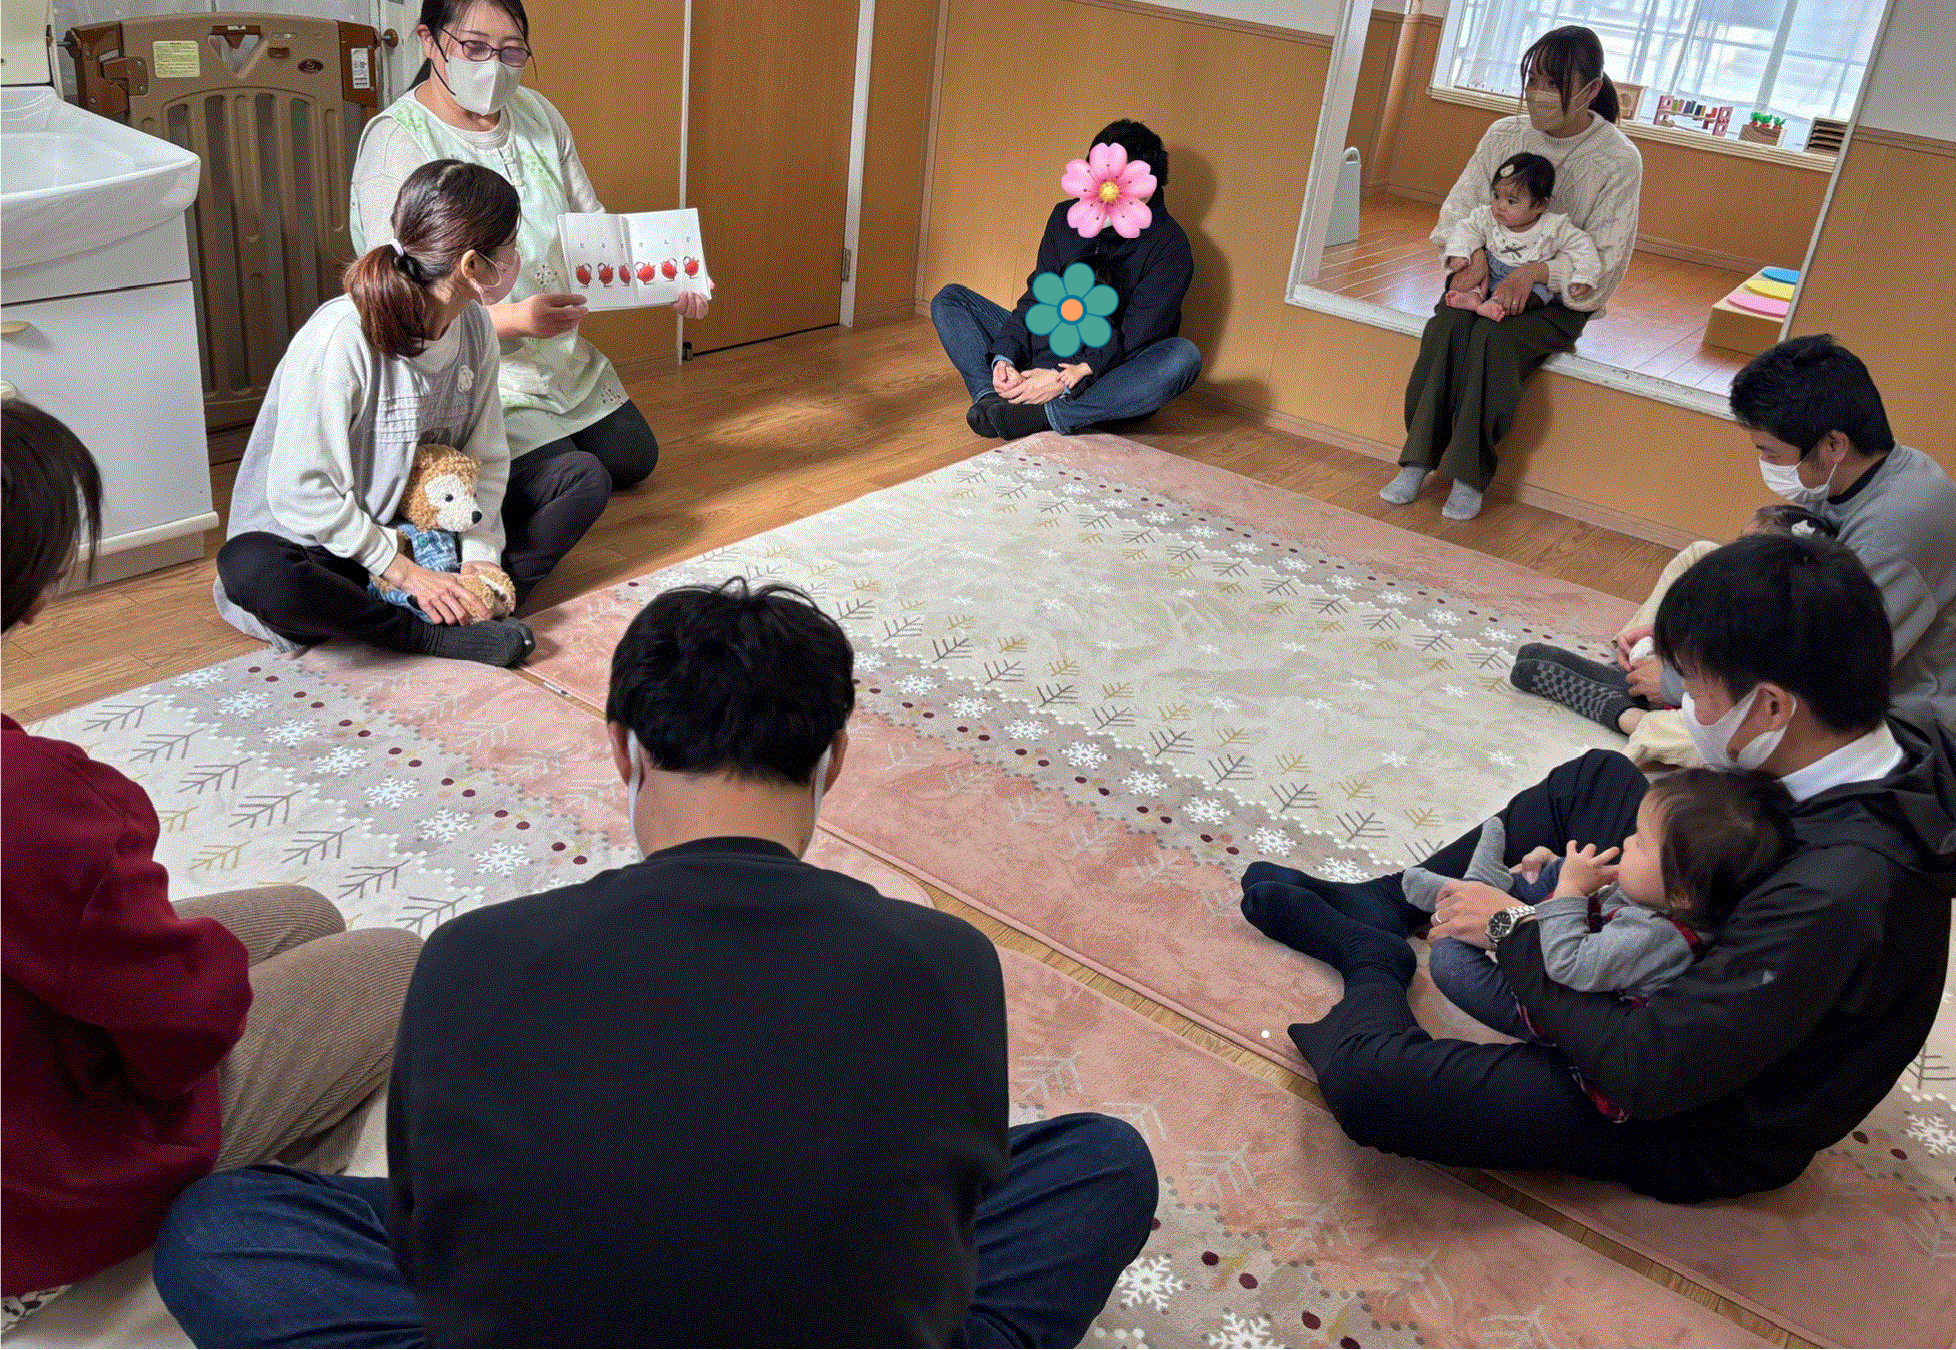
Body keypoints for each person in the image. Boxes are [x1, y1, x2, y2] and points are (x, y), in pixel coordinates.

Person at [154, 580, 1158, 1347]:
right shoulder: (950, 959)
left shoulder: (471, 957)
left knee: (217, 1228)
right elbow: (952, 1211)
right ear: (834, 758)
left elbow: (430, 1245)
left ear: (623, 748)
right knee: (1104, 1162)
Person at [1238, 534, 1956, 1202]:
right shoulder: (1879, 740)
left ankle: (1371, 962)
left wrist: (1511, 928)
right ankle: (1384, 904)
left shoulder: (1837, 895)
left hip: (1695, 1115)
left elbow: (1645, 1067)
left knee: (1373, 1088)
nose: (1686, 706)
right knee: (1596, 782)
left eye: (1695, 689)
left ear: (1771, 708)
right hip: (1712, 950)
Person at [1, 401, 419, 1323]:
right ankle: (250, 1210)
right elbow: (183, 1031)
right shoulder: (34, 802)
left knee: (304, 913)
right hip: (49, 1177)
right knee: (399, 962)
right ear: (33, 586)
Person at [1524, 336, 1956, 752]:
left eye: (1771, 454)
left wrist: (1678, 678)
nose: (1767, 465)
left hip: (1903, 722)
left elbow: (1817, 671)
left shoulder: (1894, 536)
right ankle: (1650, 675)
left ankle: (1634, 715)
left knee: (1761, 726)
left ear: (1833, 445)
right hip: (1834, 637)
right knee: (1700, 559)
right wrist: (1676, 632)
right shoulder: (1873, 470)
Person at [350, 0, 709, 521]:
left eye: (512, 51)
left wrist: (674, 279)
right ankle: (450, 487)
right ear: (429, 41)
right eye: (474, 47)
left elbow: (594, 228)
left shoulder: (538, 115)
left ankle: (530, 457)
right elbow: (400, 301)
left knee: (634, 457)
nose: (494, 66)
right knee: (575, 481)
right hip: (466, 370)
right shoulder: (396, 140)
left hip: (556, 358)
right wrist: (515, 320)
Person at [215, 160, 571, 667]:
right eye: (511, 246)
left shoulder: (475, 330)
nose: (518, 257)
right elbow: (301, 491)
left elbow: (487, 457)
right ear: (472, 265)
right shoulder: (341, 337)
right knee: (249, 567)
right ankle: (424, 633)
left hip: (434, 526)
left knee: (579, 477)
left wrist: (481, 557)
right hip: (339, 550)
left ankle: (464, 598)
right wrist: (400, 569)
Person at [1381, 27, 1643, 521]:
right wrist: (1474, 258)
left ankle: (1468, 475)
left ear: (1591, 89)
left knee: (1494, 341)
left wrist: (1537, 272)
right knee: (1447, 327)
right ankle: (1416, 461)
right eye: (1533, 80)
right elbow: (1458, 212)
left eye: (1554, 83)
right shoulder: (1504, 134)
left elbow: (1604, 264)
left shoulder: (1619, 160)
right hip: (1484, 275)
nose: (1539, 92)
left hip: (1555, 299)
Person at [1400, 769, 1790, 1048]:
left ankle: (1470, 892)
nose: (1628, 841)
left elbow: (1567, 964)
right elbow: (1591, 905)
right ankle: (1486, 887)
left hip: (1551, 1004)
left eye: (1641, 842)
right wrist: (1563, 873)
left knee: (1448, 959)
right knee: (1559, 870)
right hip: (1578, 937)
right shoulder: (1660, 896)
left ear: (1682, 894)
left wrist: (1570, 889)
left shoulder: (1656, 937)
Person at [931, 119, 1202, 440]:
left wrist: (1062, 382)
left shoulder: (1170, 245)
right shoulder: (1065, 217)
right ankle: (994, 399)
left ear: (1146, 189)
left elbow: (1132, 340)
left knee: (1183, 357)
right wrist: (1004, 359)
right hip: (1049, 346)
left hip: (1106, 370)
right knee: (951, 300)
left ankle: (1048, 414)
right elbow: (1038, 299)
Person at [1511, 504, 1836, 766]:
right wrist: (1665, 635)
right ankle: (1634, 663)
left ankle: (1623, 711)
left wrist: (1672, 681)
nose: (1733, 553)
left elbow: (1742, 698)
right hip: (1703, 676)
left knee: (1725, 742)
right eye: (1738, 542)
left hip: (1730, 705)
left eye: (1745, 549)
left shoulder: (1791, 635)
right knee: (1701, 553)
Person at [1440, 153, 1601, 321]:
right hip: (1492, 269)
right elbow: (1465, 230)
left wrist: (1584, 276)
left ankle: (1497, 304)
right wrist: (1459, 253)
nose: (1500, 206)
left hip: (1527, 282)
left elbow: (1583, 246)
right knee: (1467, 276)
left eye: (1511, 201)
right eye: (1496, 196)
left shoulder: (1554, 227)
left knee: (1537, 294)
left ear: (1540, 205)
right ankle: (1474, 297)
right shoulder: (1486, 217)